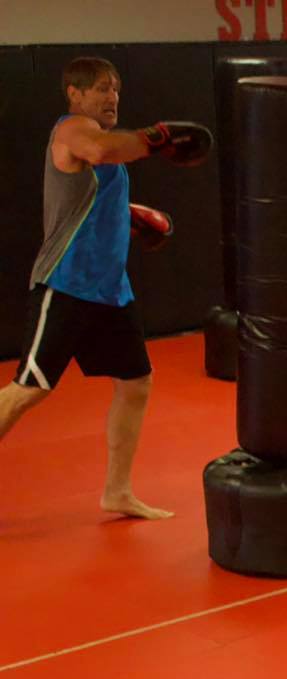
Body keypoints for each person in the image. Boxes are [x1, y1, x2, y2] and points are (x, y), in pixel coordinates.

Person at [0, 57, 211, 520]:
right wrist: (155, 138)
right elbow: (99, 151)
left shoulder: (109, 149)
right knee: (28, 389)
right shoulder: (72, 130)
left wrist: (131, 218)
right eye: (100, 88)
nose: (112, 96)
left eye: (115, 88)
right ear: (74, 94)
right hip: (67, 283)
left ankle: (117, 491)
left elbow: (92, 195)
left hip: (111, 292)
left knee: (135, 383)